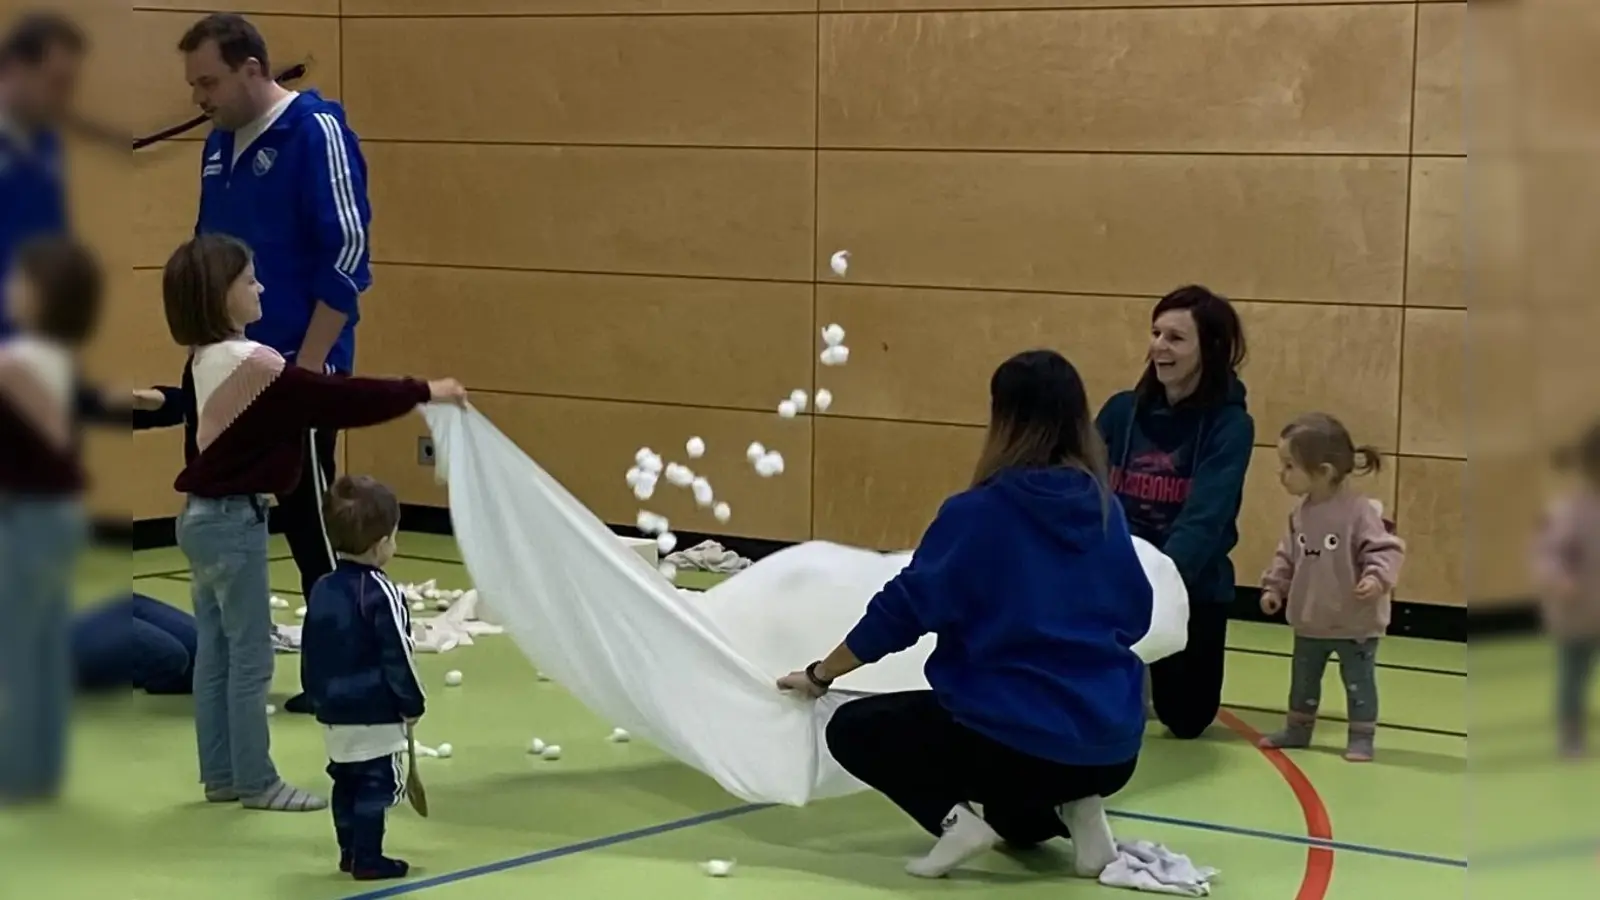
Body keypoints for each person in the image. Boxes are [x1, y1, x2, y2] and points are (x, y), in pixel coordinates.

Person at [777, 350, 1150, 880]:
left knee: (856, 728)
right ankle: (1082, 807)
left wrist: (820, 675)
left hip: (1020, 745)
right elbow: (1136, 616)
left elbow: (902, 610)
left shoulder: (979, 513)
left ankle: (958, 824)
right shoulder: (1104, 508)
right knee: (1022, 808)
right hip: (1112, 747)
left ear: (1003, 419)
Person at [163, 233, 463, 812]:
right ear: (219, 296)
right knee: (251, 659)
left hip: (199, 521)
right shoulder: (255, 364)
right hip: (231, 524)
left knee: (217, 655)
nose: (262, 287)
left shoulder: (204, 359)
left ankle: (222, 773)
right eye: (249, 280)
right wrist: (424, 391)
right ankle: (256, 781)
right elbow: (335, 399)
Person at [179, 15, 373, 717]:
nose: (199, 96)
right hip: (227, 370)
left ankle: (345, 670)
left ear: (253, 69)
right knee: (219, 514)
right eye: (194, 83)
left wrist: (308, 369)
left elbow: (347, 256)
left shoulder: (314, 133)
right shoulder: (216, 146)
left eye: (209, 81)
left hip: (295, 370)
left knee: (311, 525)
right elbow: (208, 259)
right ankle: (233, 664)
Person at [1096, 285, 1253, 740]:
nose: (1159, 346)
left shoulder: (1231, 425)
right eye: (1156, 333)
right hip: (1115, 578)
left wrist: (1157, 589)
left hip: (1189, 587)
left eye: (1176, 338)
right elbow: (1079, 483)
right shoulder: (1121, 411)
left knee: (1186, 720)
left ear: (1211, 349)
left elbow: (1205, 518)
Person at [0, 235, 103, 803]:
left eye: (20, 282)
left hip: (29, 518)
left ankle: (17, 770)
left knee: (18, 648)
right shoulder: (60, 358)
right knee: (43, 646)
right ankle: (42, 763)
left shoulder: (15, 362)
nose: (9, 289)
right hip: (61, 516)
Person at [1256, 413, 1405, 761]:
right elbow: (1287, 554)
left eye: (1289, 465)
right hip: (1312, 619)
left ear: (1323, 471)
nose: (1282, 474)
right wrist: (1274, 587)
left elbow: (1385, 548)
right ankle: (1298, 729)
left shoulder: (1360, 512)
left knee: (1358, 683)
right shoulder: (1300, 514)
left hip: (1355, 622)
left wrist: (1375, 578)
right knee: (1304, 680)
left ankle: (1362, 736)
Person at [301, 475, 425, 881]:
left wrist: (317, 696)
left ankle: (349, 850)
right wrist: (412, 703)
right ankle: (369, 857)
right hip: (375, 708)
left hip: (333, 709)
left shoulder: (321, 587)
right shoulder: (381, 593)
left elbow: (312, 648)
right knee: (377, 782)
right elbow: (397, 654)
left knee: (345, 778)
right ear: (380, 544)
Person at [0, 12, 85, 338]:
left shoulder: (47, 143)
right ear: (14, 69)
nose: (65, 97)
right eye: (57, 83)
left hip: (36, 342)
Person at [1533, 420, 1600, 758]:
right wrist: (1559, 579)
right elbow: (1548, 553)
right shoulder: (1571, 511)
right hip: (1579, 615)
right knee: (1573, 677)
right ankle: (1571, 737)